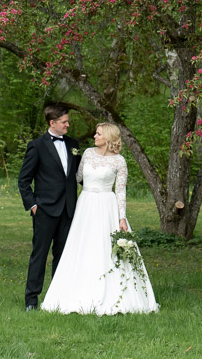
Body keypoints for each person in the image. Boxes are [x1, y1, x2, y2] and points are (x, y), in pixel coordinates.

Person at [40, 122, 159, 315]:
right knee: (82, 245)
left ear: (108, 138)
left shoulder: (119, 161)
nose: (94, 136)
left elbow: (120, 191)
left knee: (104, 247)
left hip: (107, 205)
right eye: (95, 133)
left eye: (98, 134)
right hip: (86, 205)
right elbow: (77, 177)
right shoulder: (87, 153)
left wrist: (122, 218)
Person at [18, 104, 81, 311]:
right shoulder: (37, 146)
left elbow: (80, 176)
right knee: (40, 254)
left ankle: (57, 298)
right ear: (52, 123)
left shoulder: (74, 144)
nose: (68, 125)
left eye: (68, 121)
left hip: (68, 210)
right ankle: (31, 300)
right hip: (45, 210)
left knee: (63, 255)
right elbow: (23, 180)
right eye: (64, 122)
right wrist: (33, 205)